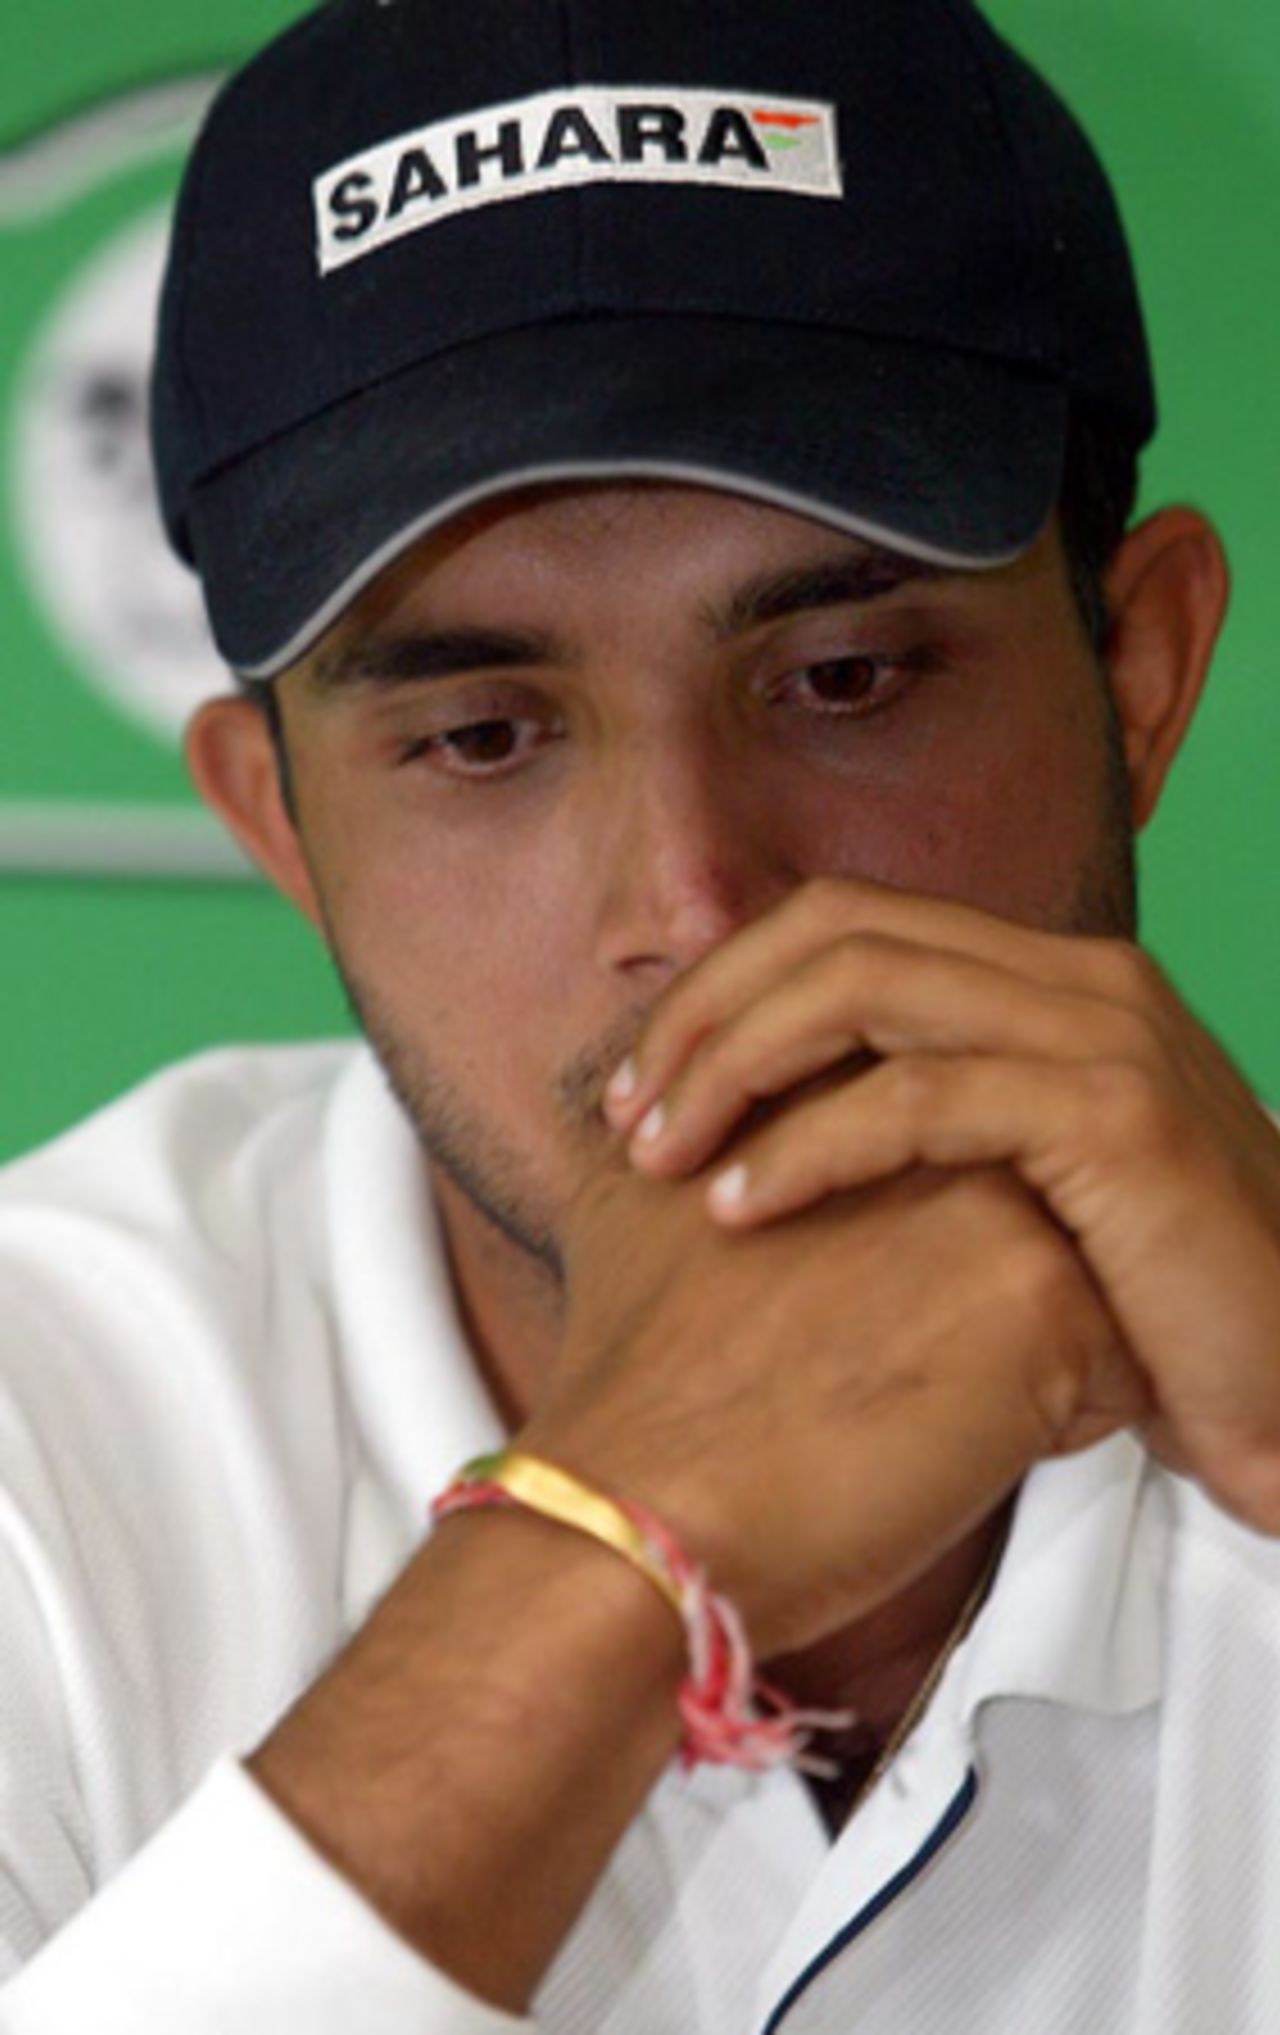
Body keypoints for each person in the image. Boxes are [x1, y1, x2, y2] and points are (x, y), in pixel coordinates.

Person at [2, 0, 1279, 2027]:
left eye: (845, 678)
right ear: (279, 820)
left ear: (1135, 668)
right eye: (486, 733)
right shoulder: (40, 1432)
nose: (695, 901)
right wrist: (614, 1547)